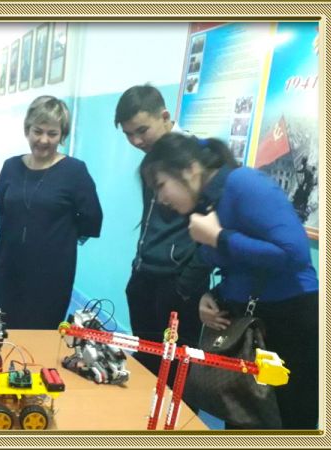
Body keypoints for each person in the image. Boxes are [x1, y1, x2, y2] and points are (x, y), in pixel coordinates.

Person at [140, 132, 319, 429]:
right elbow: (241, 266)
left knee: (288, 422)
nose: (160, 199)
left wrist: (219, 237)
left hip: (291, 320)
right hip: (249, 322)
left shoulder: (243, 183)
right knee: (242, 417)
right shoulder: (207, 205)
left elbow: (294, 254)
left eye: (160, 186)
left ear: (189, 169)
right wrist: (213, 296)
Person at [114, 85, 210, 376]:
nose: (136, 140)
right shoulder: (153, 156)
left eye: (142, 130)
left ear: (165, 116)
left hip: (178, 285)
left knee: (177, 371)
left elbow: (214, 229)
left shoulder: (197, 156)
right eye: (128, 134)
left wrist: (186, 283)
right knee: (146, 362)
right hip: (144, 277)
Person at [0, 95, 103, 329]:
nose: (43, 140)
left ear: (62, 135)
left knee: (42, 336)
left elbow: (92, 218)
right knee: (6, 334)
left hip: (51, 276)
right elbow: (3, 211)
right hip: (7, 270)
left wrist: (61, 236)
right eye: (37, 131)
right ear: (27, 130)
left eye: (52, 134)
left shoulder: (74, 171)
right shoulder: (10, 166)